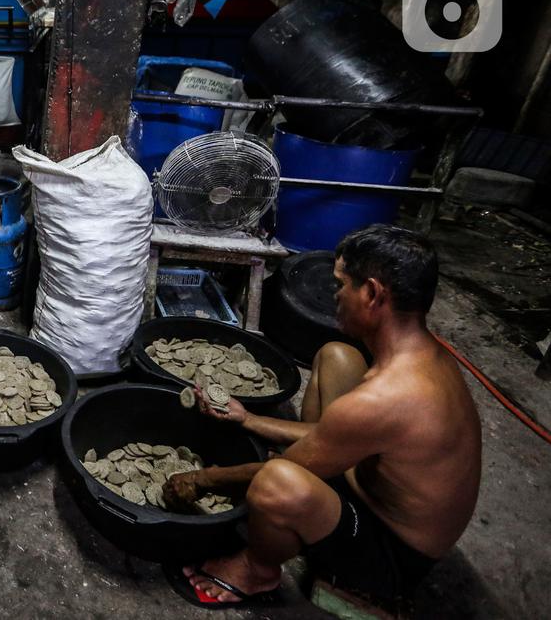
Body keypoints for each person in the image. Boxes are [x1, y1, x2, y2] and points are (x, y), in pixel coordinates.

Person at [162, 224, 482, 608]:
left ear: (372, 293)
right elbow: (333, 434)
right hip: (374, 485)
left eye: (341, 284)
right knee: (335, 357)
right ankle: (295, 513)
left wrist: (201, 479)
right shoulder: (422, 356)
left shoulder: (388, 396)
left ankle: (255, 571)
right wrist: (245, 419)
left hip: (391, 554)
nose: (335, 296)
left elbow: (278, 469)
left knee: (275, 482)